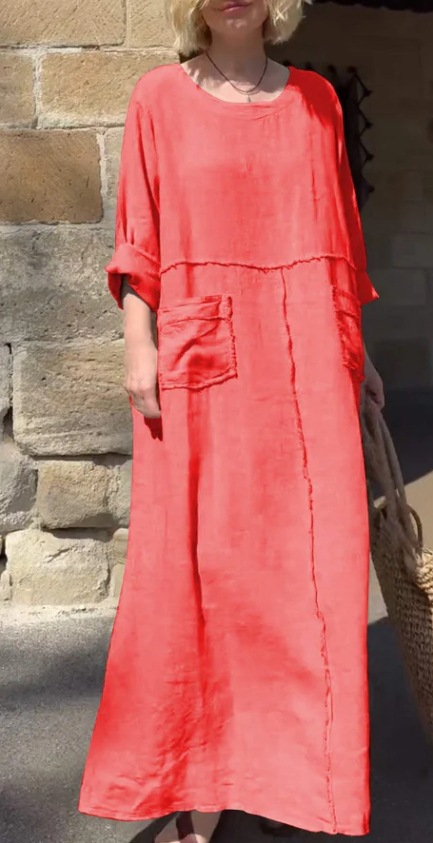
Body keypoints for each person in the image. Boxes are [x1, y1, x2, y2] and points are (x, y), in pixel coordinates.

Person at [78, 1, 385, 841]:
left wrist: (361, 353)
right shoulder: (158, 97)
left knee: (310, 575)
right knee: (196, 574)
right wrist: (137, 344)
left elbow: (340, 237)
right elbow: (139, 237)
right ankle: (199, 780)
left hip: (311, 359)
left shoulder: (318, 99)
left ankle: (299, 778)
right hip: (200, 361)